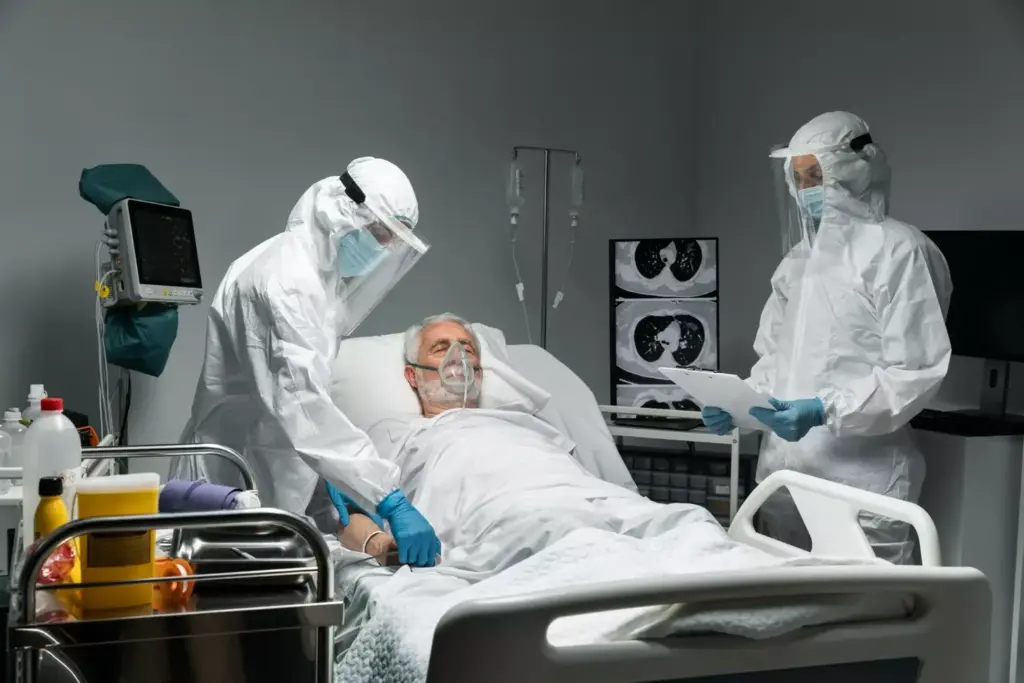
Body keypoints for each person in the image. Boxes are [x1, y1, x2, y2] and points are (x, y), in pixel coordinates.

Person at [701, 112, 952, 564]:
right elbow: (774, 361)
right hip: (784, 480)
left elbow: (914, 371)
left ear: (856, 168)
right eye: (797, 178)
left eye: (815, 175)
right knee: (783, 620)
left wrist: (824, 409)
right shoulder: (798, 262)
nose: (805, 190)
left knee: (866, 621)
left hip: (863, 486)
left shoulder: (900, 252)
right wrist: (742, 407)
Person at [171, 157, 441, 567]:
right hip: (230, 488)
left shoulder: (314, 278)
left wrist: (330, 478)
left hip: (266, 482)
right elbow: (304, 407)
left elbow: (291, 402)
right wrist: (388, 496)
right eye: (380, 233)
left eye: (391, 240)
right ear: (343, 211)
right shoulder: (286, 282)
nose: (383, 248)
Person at [331, 313, 714, 573]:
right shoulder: (393, 430)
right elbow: (344, 510)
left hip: (591, 502)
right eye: (440, 347)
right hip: (507, 518)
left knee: (691, 523)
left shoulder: (528, 422)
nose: (457, 356)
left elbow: (583, 479)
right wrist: (379, 543)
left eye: (467, 347)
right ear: (412, 377)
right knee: (557, 528)